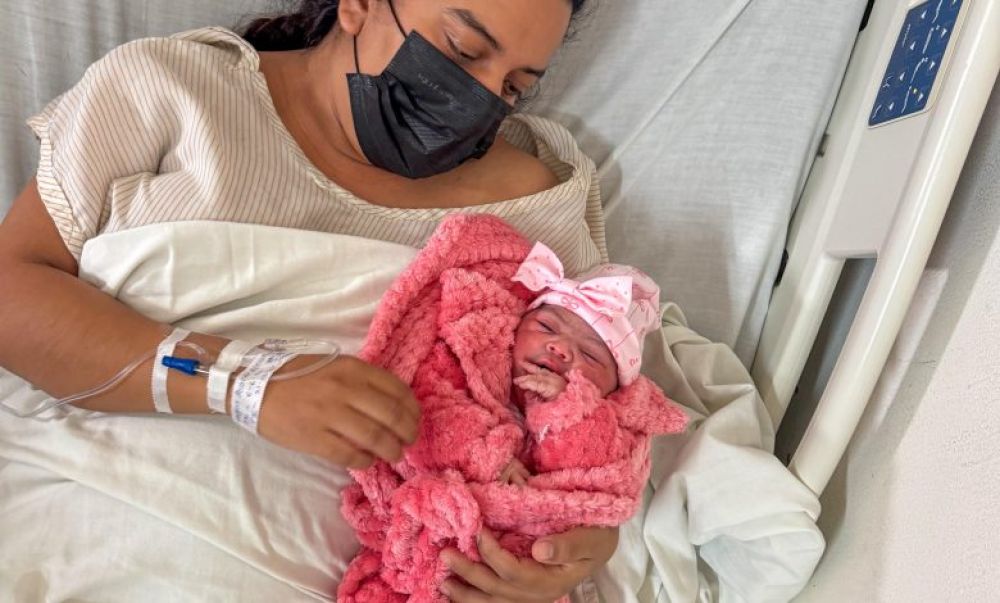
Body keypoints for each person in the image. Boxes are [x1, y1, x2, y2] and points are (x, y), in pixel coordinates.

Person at [0, 0, 621, 600]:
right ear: (359, 4)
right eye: (461, 50)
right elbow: (12, 293)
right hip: (102, 524)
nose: (479, 99)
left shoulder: (537, 206)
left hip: (386, 573)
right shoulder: (172, 91)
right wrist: (246, 383)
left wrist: (585, 541)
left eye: (513, 87)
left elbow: (603, 405)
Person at [336, 214, 687, 602]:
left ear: (612, 389)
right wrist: (490, 457)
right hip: (437, 528)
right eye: (547, 327)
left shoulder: (609, 423)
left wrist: (571, 410)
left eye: (590, 354)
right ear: (517, 324)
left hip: (522, 561)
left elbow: (594, 477)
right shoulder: (473, 359)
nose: (560, 348)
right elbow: (432, 411)